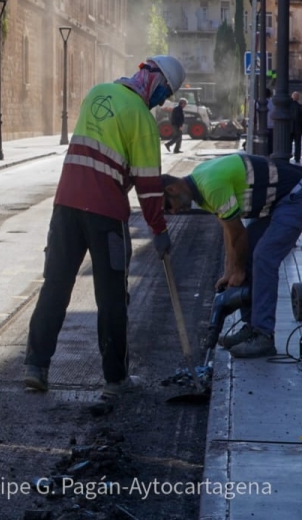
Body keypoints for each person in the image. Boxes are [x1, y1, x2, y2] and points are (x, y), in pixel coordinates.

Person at [24, 55, 185, 400]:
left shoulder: (97, 93)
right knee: (111, 297)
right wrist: (159, 230)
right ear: (157, 82)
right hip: (106, 215)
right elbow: (149, 186)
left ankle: (36, 367)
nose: (162, 101)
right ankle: (116, 379)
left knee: (55, 286)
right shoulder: (141, 118)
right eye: (165, 93)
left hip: (65, 206)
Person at [162, 152, 302, 358]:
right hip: (281, 201)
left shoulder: (211, 186)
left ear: (172, 189)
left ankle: (263, 335)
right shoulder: (200, 185)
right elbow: (228, 231)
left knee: (263, 257)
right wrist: (230, 272)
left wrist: (238, 270)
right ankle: (251, 327)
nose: (173, 212)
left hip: (295, 196)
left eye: (168, 206)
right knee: (248, 252)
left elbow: (238, 233)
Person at [291, 92, 302, 164]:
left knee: (288, 143)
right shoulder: (300, 107)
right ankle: (297, 157)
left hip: (289, 128)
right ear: (298, 98)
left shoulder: (288, 107)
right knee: (298, 144)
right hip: (298, 128)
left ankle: (288, 155)